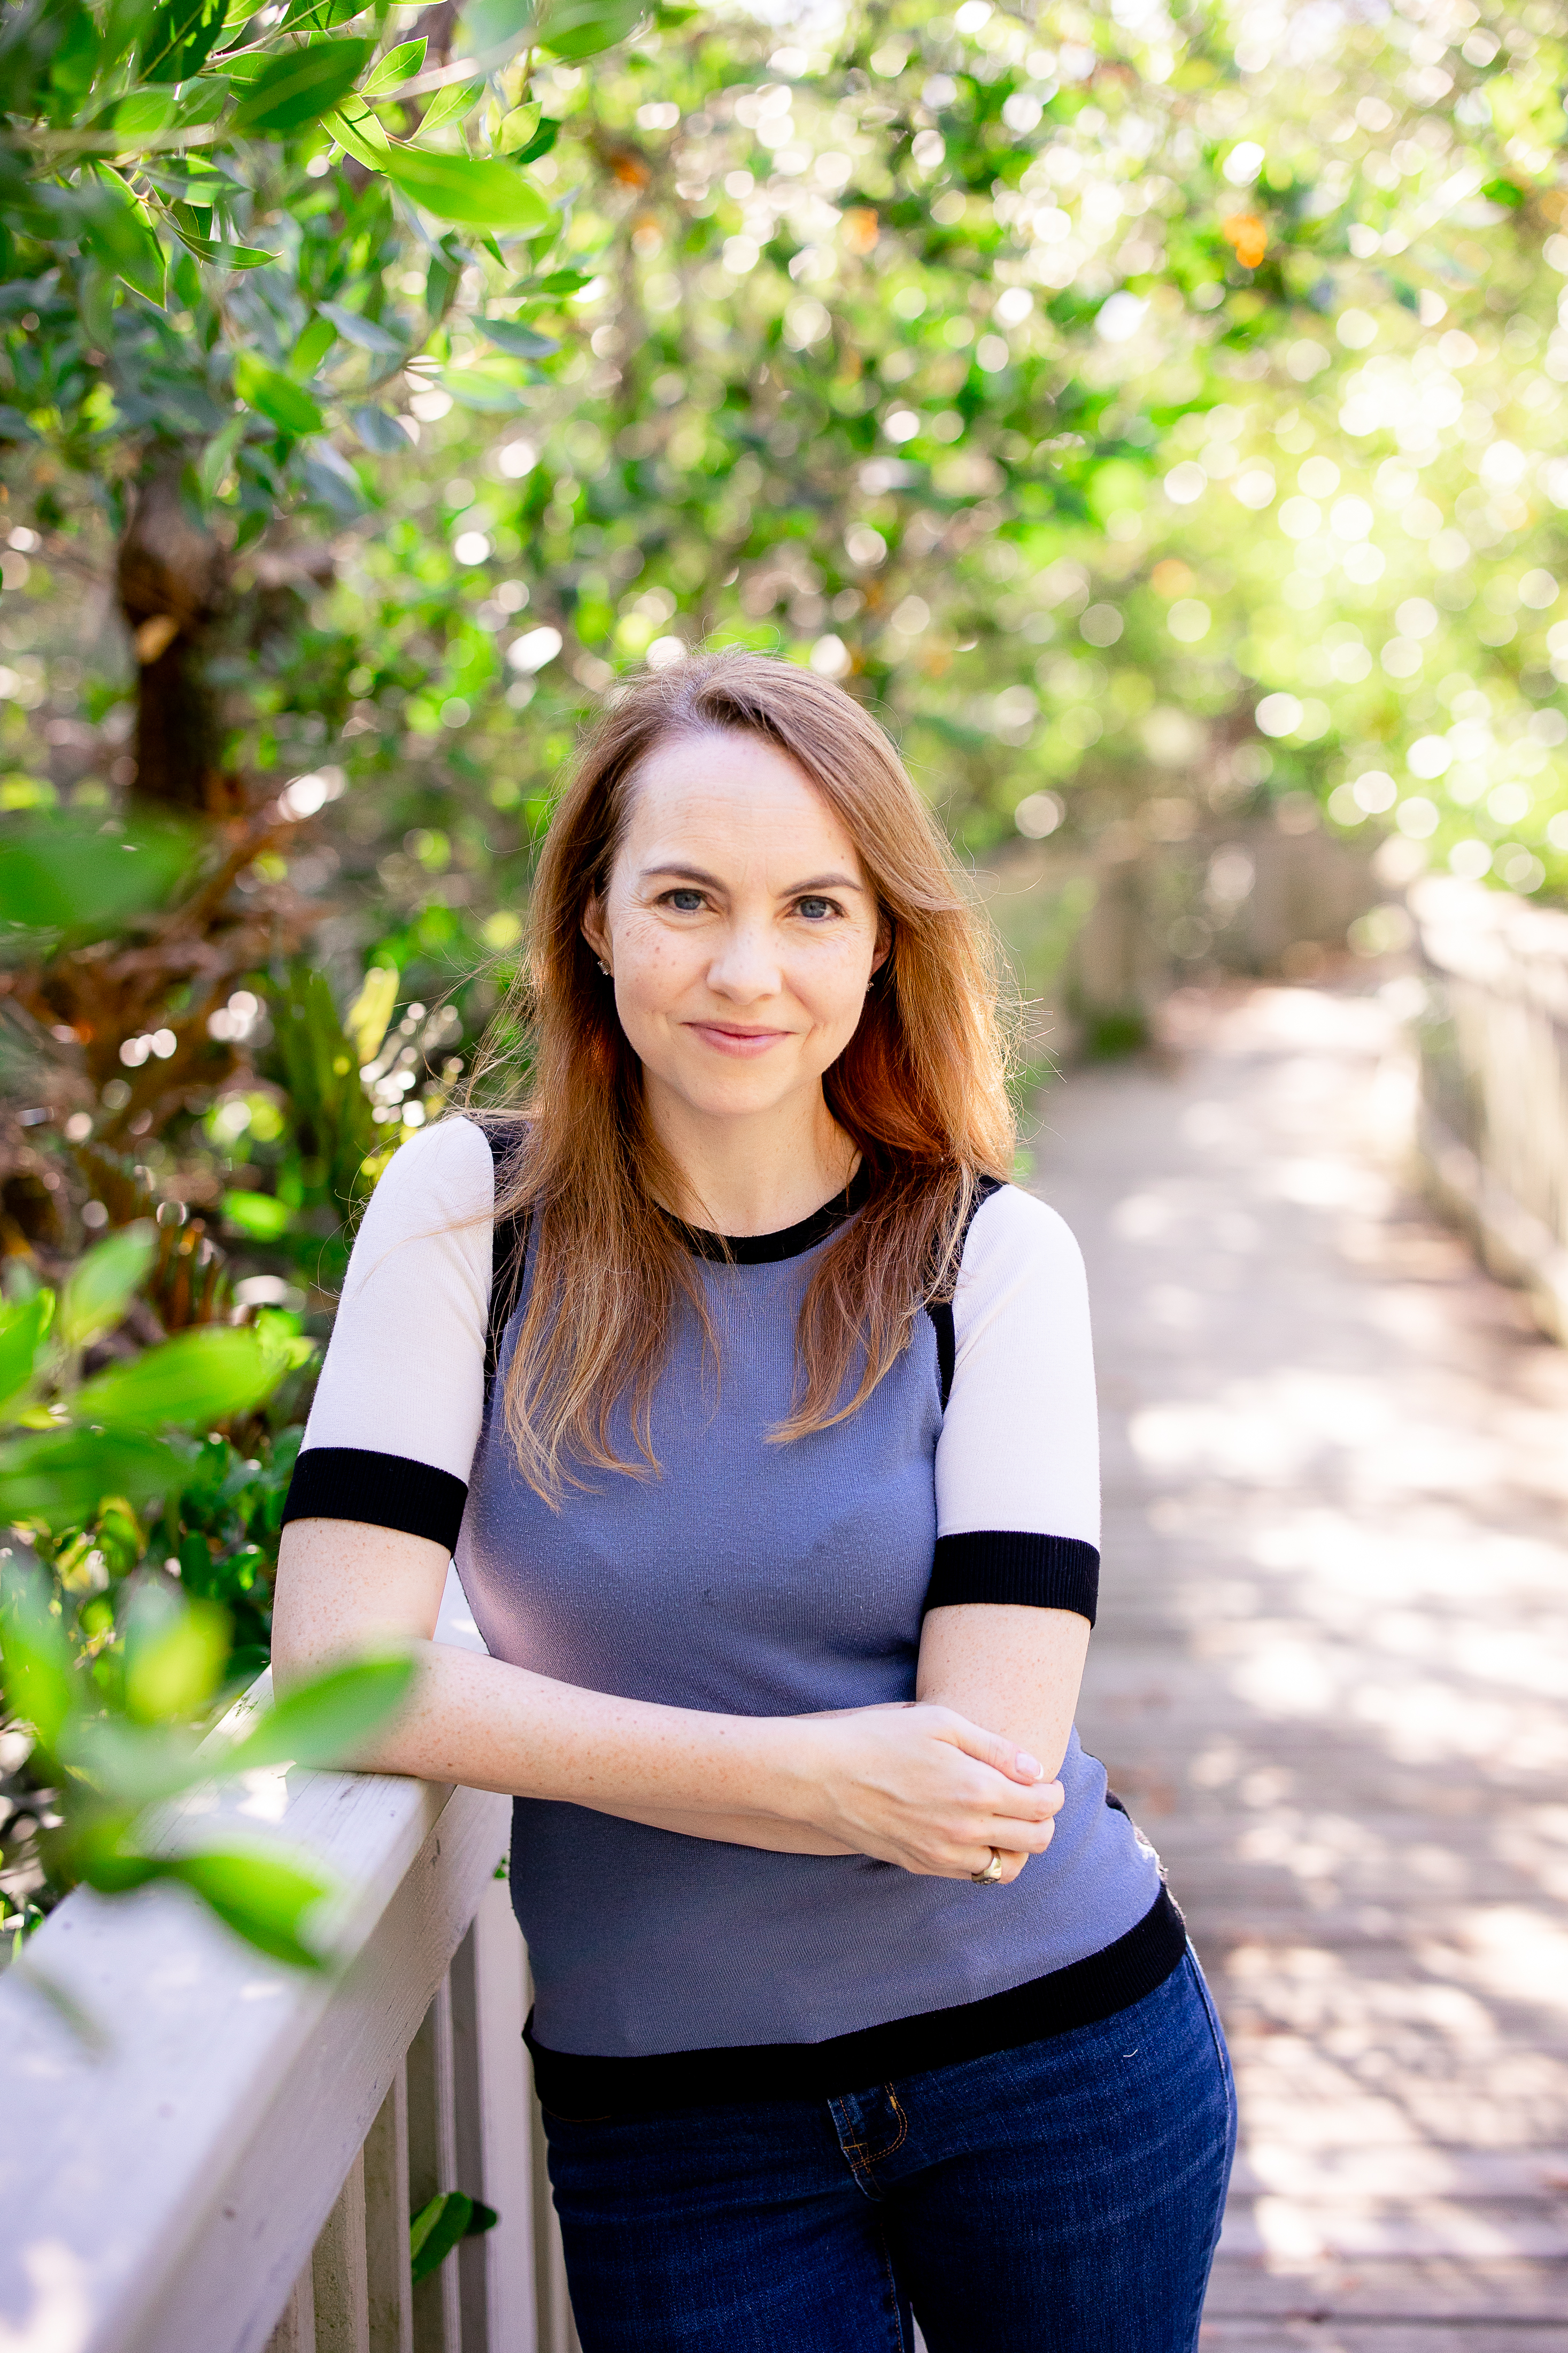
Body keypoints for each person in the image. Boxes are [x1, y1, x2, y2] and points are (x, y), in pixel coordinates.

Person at [272, 649, 1235, 2353]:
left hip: (1060, 2063)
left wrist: (547, 1735)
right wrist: (819, 1774)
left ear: (881, 943)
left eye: (811, 909)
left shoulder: (987, 1259)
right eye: (686, 898)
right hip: (678, 2123)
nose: (746, 970)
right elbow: (341, 1662)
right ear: (591, 917)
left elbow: (988, 1797)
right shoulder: (464, 1220)